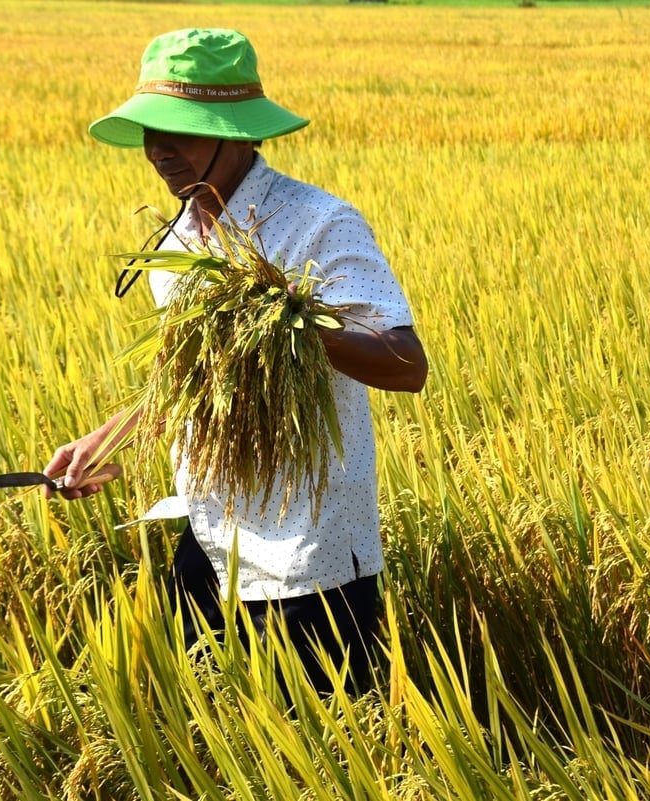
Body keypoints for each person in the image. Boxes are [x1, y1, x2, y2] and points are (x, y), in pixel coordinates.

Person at [44, 28, 427, 696]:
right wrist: (107, 443)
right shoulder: (179, 239)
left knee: (323, 748)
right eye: (148, 130)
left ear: (238, 132)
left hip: (312, 543)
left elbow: (406, 362)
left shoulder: (319, 223)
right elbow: (196, 384)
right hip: (211, 529)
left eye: (180, 129)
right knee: (201, 721)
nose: (158, 149)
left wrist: (291, 315)